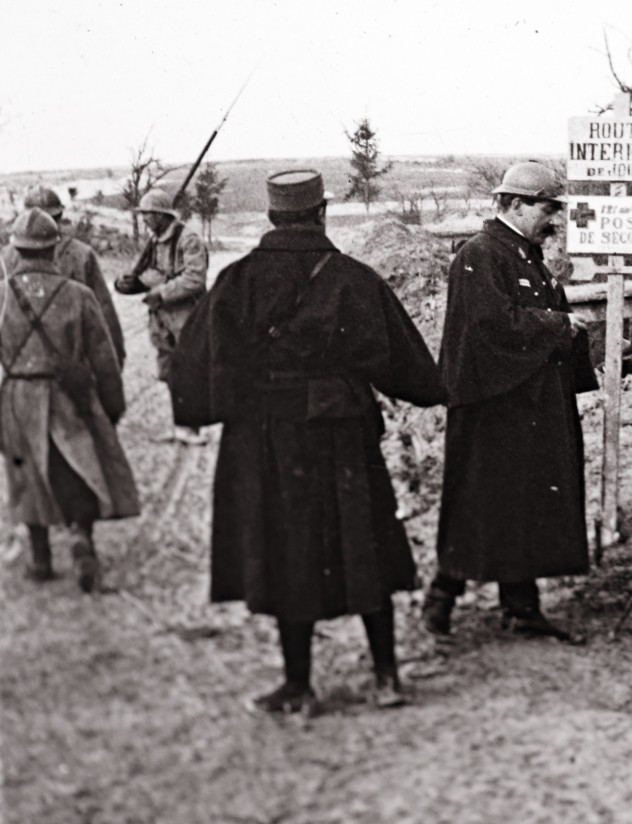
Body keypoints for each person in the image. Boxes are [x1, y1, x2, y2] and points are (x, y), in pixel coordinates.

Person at [168, 170, 446, 714]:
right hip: (341, 436)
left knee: (283, 551)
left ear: (273, 216)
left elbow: (196, 365)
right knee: (360, 542)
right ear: (321, 212)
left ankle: (298, 685)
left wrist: (224, 408)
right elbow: (404, 364)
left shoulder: (238, 281)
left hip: (266, 441)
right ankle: (386, 677)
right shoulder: (352, 279)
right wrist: (434, 392)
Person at [424, 161, 597, 644]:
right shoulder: (480, 255)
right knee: (480, 504)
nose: (555, 220)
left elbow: (527, 316)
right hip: (491, 410)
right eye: (547, 208)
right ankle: (439, 604)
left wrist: (567, 334)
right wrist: (558, 326)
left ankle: (522, 607)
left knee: (519, 505)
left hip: (524, 406)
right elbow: (490, 327)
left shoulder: (522, 255)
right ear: (516, 205)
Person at [0, 209, 139, 591]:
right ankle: (82, 540)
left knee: (26, 473)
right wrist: (111, 407)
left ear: (16, 250)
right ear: (53, 248)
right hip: (68, 397)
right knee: (78, 466)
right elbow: (104, 359)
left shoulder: (1, 294)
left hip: (17, 398)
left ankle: (41, 557)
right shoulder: (79, 295)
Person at [113, 187, 208, 444]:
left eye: (147, 214)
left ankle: (191, 428)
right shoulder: (154, 242)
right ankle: (181, 426)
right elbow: (153, 272)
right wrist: (131, 284)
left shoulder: (188, 240)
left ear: (160, 215)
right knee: (168, 372)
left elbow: (195, 279)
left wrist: (161, 293)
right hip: (162, 318)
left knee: (188, 372)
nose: (143, 219)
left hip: (187, 316)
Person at [1, 187, 125, 367]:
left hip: (19, 367)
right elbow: (103, 309)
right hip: (70, 364)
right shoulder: (82, 254)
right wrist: (116, 355)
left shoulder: (6, 256)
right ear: (59, 217)